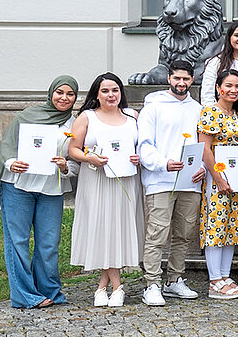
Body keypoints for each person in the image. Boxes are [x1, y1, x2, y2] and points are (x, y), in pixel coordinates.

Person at [0, 76, 79, 309]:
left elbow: (76, 162)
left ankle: (49, 290)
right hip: (18, 186)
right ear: (51, 93)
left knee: (48, 244)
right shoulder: (27, 116)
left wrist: (65, 166)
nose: (64, 98)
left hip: (51, 189)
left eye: (70, 94)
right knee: (18, 241)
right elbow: (6, 148)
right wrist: (12, 163)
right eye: (59, 92)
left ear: (75, 97)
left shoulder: (75, 125)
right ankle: (23, 295)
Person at [66, 73, 143, 307]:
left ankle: (102, 286)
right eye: (106, 91)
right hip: (96, 179)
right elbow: (73, 150)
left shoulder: (133, 116)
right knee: (102, 228)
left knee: (119, 229)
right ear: (97, 95)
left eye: (115, 90)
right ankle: (117, 287)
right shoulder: (87, 117)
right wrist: (90, 157)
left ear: (121, 93)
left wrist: (139, 157)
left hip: (127, 180)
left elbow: (143, 146)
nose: (111, 95)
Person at [129, 63, 203, 305]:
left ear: (192, 80)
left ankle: (174, 280)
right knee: (157, 234)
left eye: (186, 79)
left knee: (183, 234)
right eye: (177, 78)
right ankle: (151, 283)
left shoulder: (198, 109)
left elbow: (203, 145)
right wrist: (163, 163)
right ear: (169, 78)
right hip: (160, 180)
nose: (181, 83)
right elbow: (145, 144)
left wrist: (202, 166)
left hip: (189, 181)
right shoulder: (153, 107)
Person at [196, 69, 238, 299]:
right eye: (228, 86)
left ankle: (225, 275)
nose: (233, 90)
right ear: (219, 87)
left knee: (233, 226)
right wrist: (218, 178)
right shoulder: (210, 111)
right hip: (216, 178)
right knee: (216, 225)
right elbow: (205, 148)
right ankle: (214, 281)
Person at [201, 22, 238, 106]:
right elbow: (207, 94)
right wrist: (214, 113)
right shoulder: (215, 62)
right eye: (237, 35)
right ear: (229, 37)